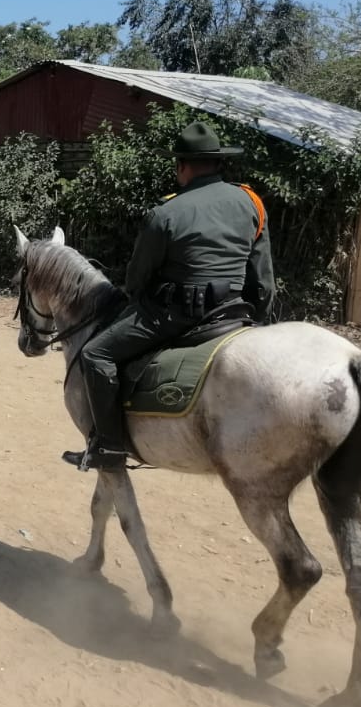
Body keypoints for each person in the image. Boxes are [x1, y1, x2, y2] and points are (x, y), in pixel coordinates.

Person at [63, 121, 276, 472]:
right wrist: (256, 318)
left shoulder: (165, 213)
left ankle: (109, 448)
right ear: (218, 162)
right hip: (236, 312)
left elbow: (137, 280)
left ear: (182, 166)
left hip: (177, 315)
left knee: (95, 353)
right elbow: (263, 279)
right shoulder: (251, 202)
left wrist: (142, 303)